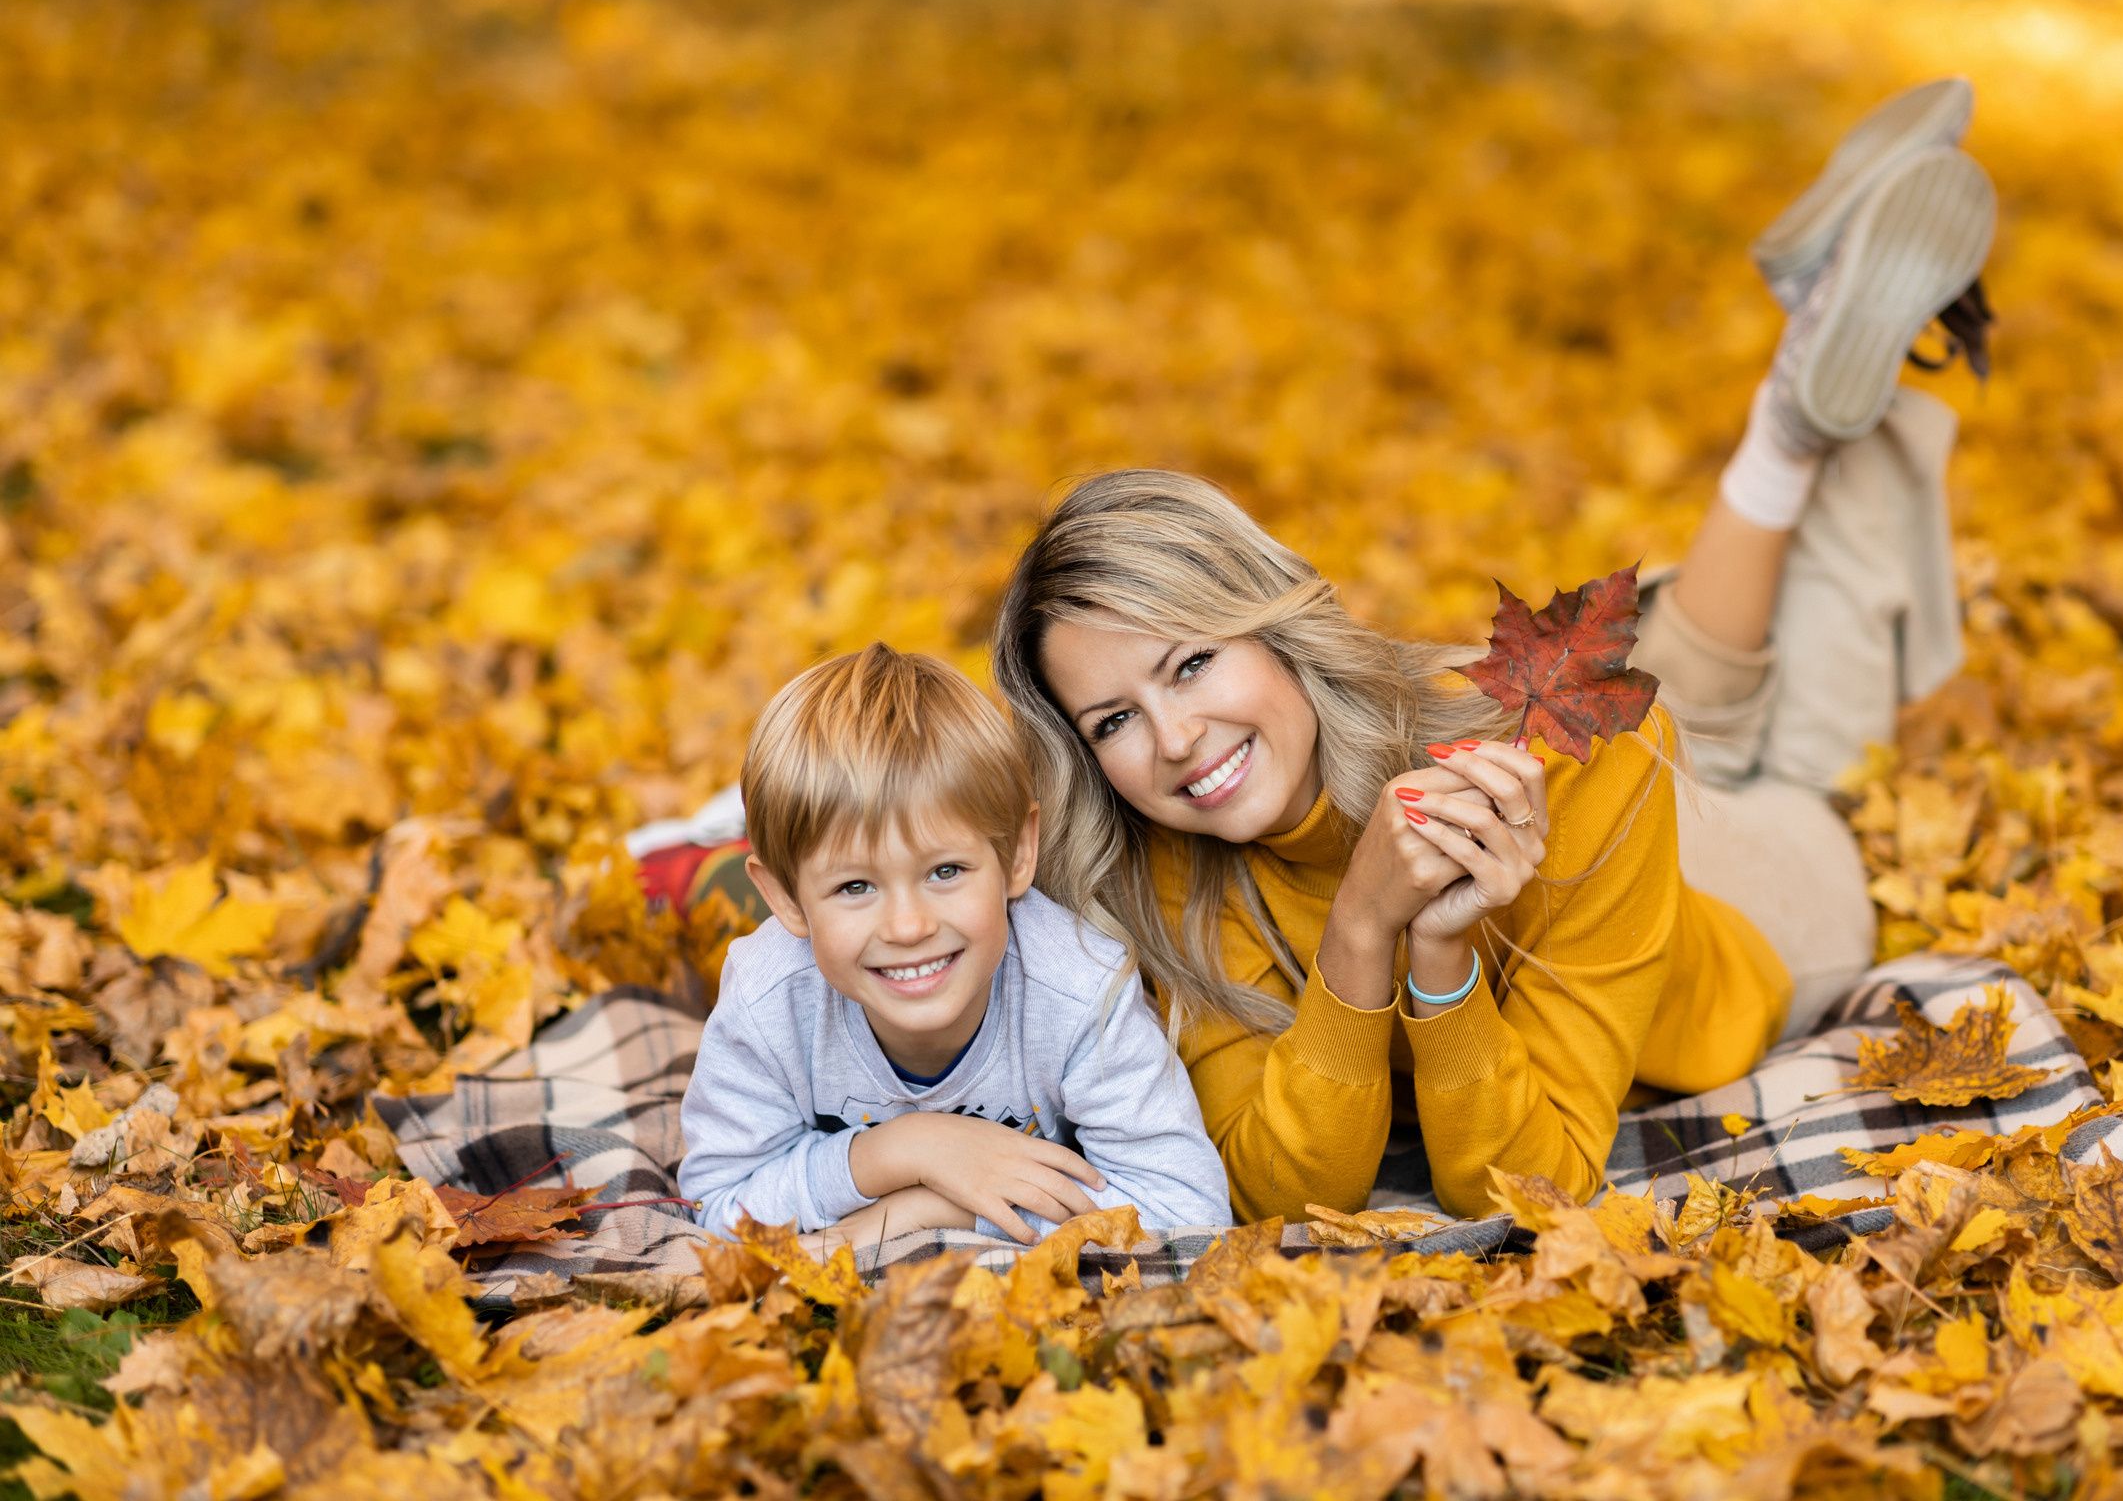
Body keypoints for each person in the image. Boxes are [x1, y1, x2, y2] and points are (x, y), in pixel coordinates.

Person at [988, 79, 1996, 1223]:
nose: (1173, 740)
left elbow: (1527, 1185)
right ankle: (1800, 385)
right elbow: (1284, 1185)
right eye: (1111, 721)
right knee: (1695, 690)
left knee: (1790, 742)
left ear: (1273, 622)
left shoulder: (1563, 750)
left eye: (1189, 664)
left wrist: (1429, 958)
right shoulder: (1156, 862)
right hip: (1596, 811)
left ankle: (1808, 411)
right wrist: (1384, 931)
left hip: (1761, 906)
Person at [679, 644, 1233, 1245]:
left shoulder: (1080, 991)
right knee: (688, 885)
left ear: (1019, 854)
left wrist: (936, 1208)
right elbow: (716, 1207)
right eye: (855, 885)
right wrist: (898, 1151)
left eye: (945, 871)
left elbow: (1189, 1212)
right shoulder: (770, 997)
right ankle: (697, 854)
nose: (908, 926)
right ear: (786, 899)